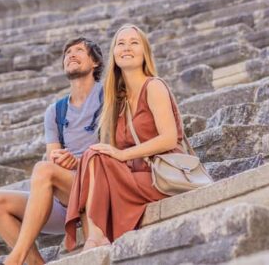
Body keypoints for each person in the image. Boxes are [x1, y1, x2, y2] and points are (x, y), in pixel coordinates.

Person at [0, 37, 104, 265]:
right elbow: (53, 156)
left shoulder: (108, 97)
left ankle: (15, 258)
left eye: (79, 50)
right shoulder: (55, 111)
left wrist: (79, 163)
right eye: (67, 52)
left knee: (43, 170)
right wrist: (61, 160)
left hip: (99, 184)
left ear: (95, 62)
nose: (71, 55)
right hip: (65, 194)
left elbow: (115, 148)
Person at [64, 24, 185, 251]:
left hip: (162, 174)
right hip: (134, 174)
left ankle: (96, 237)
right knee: (96, 153)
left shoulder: (154, 86)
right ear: (114, 54)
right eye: (120, 43)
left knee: (97, 155)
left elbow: (169, 139)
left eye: (134, 43)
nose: (126, 48)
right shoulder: (116, 101)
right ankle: (96, 236)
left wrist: (122, 154)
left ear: (144, 53)